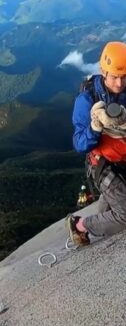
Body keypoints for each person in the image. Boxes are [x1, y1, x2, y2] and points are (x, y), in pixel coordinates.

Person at [67, 41, 126, 246]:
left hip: (122, 158)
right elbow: (79, 144)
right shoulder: (87, 99)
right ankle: (80, 225)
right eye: (115, 77)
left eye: (124, 77)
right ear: (103, 71)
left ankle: (107, 210)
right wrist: (95, 128)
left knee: (115, 205)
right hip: (102, 164)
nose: (119, 83)